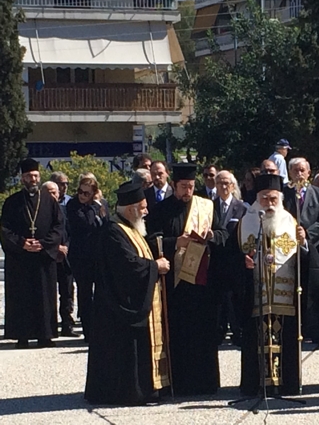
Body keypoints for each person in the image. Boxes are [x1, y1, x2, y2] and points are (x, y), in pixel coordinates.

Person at [84, 182, 171, 405]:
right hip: (119, 306)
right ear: (131, 209)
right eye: (143, 207)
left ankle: (147, 388)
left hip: (130, 300)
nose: (147, 211)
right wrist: (156, 266)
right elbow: (128, 266)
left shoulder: (131, 228)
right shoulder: (113, 231)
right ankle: (130, 392)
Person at [146, 163, 227, 395]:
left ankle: (206, 383)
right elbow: (151, 241)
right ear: (174, 185)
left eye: (190, 186)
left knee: (204, 334)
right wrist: (176, 242)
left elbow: (223, 234)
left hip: (203, 283)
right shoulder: (161, 210)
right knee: (179, 334)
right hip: (176, 283)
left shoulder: (206, 206)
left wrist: (212, 235)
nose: (187, 191)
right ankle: (179, 383)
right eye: (183, 187)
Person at [238, 174, 302, 396]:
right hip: (257, 293)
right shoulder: (246, 222)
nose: (269, 203)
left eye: (273, 198)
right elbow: (233, 257)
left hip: (285, 295)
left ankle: (287, 383)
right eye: (264, 198)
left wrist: (304, 243)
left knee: (286, 339)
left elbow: (304, 257)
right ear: (257, 199)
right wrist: (242, 262)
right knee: (257, 339)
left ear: (280, 198)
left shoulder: (290, 222)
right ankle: (258, 384)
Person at [2, 158, 63, 349]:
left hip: (43, 258)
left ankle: (46, 335)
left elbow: (58, 227)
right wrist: (22, 243)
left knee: (45, 297)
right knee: (22, 297)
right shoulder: (12, 202)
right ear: (22, 178)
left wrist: (43, 244)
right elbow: (4, 230)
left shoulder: (49, 201)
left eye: (35, 176)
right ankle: (22, 336)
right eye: (29, 176)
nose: (33, 179)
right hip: (20, 259)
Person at [283, 157, 319, 342]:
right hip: (287, 249)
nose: (299, 174)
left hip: (311, 249)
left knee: (312, 290)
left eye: (302, 170)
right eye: (295, 170)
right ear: (290, 173)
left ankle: (312, 328)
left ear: (309, 173)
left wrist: (307, 234)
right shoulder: (283, 194)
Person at [67, 177, 107, 342]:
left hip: (98, 255)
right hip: (81, 257)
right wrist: (95, 205)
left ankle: (102, 328)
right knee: (85, 294)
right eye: (80, 192)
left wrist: (98, 206)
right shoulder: (73, 205)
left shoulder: (101, 205)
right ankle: (88, 331)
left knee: (103, 292)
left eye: (86, 193)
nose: (82, 196)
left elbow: (106, 224)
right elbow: (88, 222)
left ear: (94, 193)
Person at [209, 170, 247, 345]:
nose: (223, 186)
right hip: (215, 260)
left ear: (233, 186)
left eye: (226, 183)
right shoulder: (209, 207)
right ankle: (218, 332)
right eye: (220, 183)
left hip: (235, 261)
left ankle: (238, 332)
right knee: (217, 300)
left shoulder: (242, 208)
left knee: (235, 299)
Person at [42, 182, 79, 338]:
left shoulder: (64, 210)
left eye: (55, 193)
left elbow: (71, 232)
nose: (53, 196)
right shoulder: (39, 212)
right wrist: (55, 247)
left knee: (67, 292)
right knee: (48, 293)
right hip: (47, 256)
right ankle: (49, 326)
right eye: (49, 192)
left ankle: (67, 324)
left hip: (65, 257)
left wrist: (66, 247)